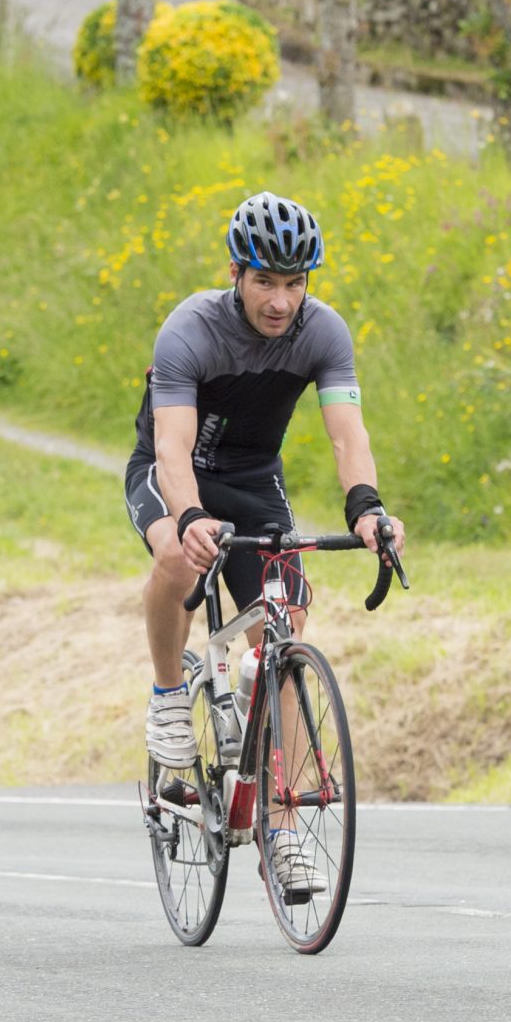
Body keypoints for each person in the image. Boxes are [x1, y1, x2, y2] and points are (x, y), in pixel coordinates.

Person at [126, 190, 405, 899]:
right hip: (174, 476)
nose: (281, 301)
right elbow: (173, 444)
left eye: (295, 283)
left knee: (286, 628)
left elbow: (348, 433)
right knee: (172, 557)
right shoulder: (190, 329)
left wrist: (367, 507)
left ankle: (281, 829)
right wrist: (188, 516)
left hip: (252, 481)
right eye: (265, 282)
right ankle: (167, 695)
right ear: (235, 272)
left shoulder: (323, 333)